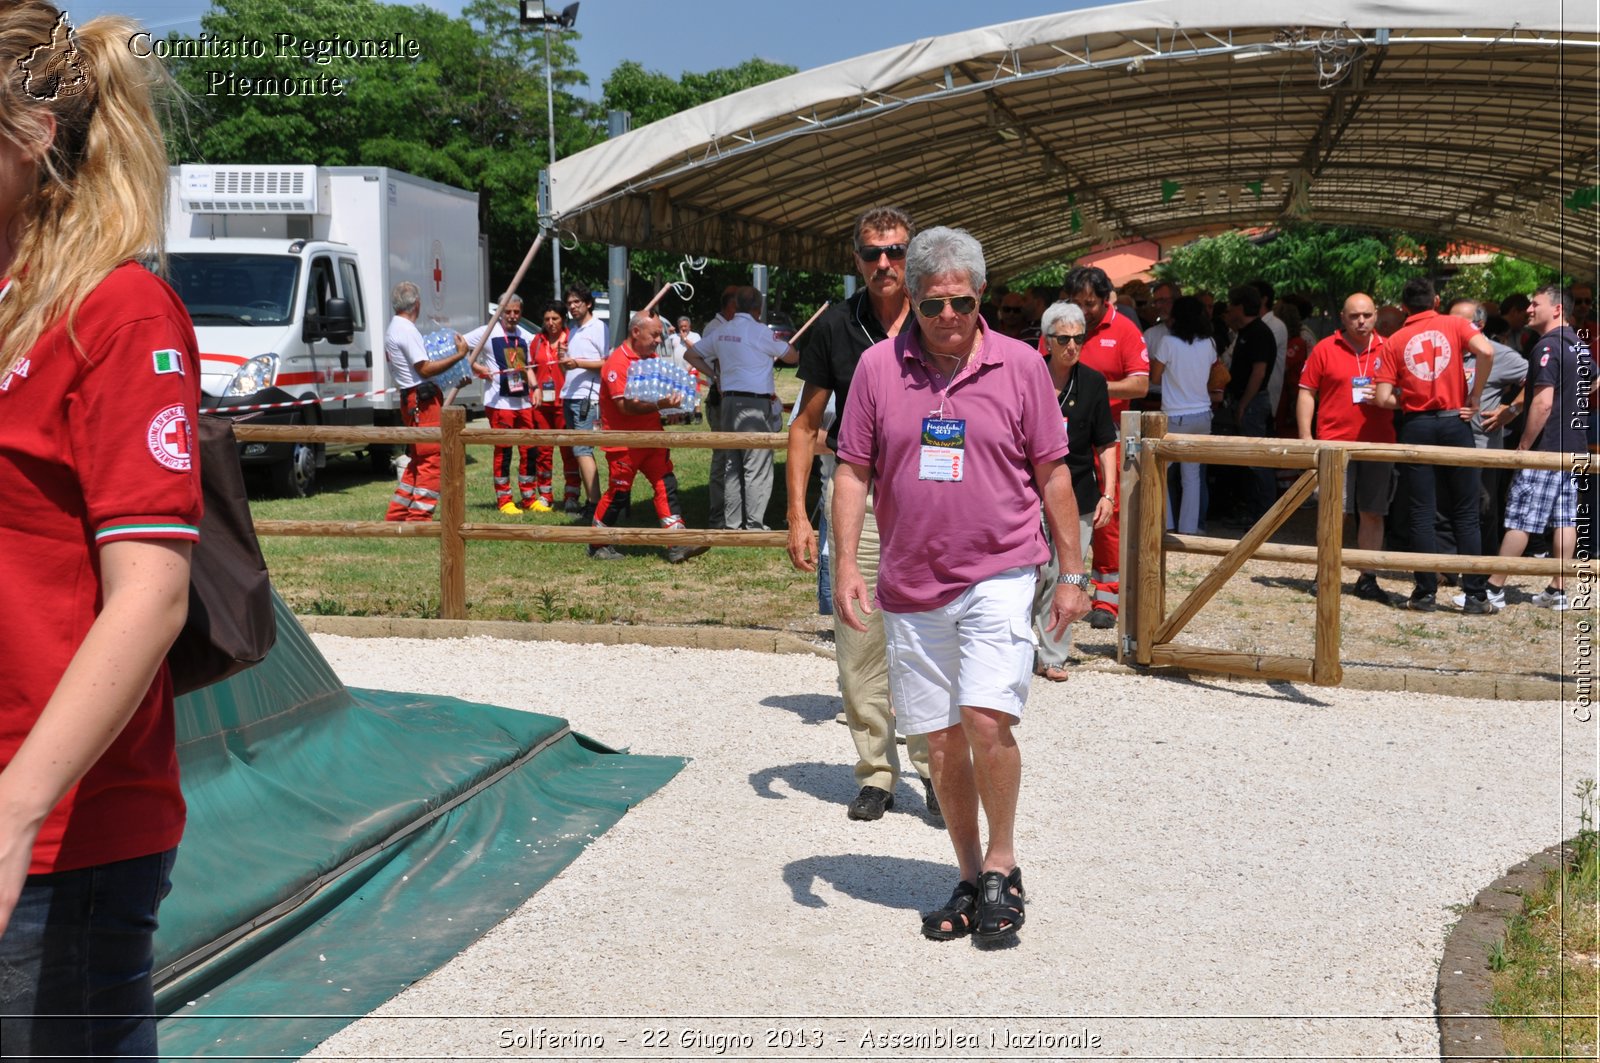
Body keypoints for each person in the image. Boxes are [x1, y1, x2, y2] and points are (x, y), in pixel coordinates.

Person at [0, 7, 199, 1056]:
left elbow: (154, 595)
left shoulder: (116, 311)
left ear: (34, 132)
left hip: (58, 836)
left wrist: (16, 811)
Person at [833, 227, 1091, 942]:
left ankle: (1005, 862)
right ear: (911, 299)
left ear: (983, 297)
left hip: (1001, 569)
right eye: (934, 303)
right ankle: (971, 873)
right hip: (912, 581)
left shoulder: (1020, 366)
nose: (949, 316)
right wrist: (847, 563)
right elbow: (853, 469)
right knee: (941, 741)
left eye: (963, 301)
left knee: (985, 719)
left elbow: (1054, 473)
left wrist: (1072, 572)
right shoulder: (879, 370)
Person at [787, 206, 936, 821]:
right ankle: (877, 771)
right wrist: (798, 516)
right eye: (873, 253)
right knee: (858, 641)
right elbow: (805, 424)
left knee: (931, 642)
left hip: (931, 499)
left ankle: (936, 768)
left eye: (896, 251)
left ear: (912, 256)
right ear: (856, 260)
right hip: (860, 496)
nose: (885, 264)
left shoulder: (939, 316)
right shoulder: (837, 328)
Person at [1373, 277, 1497, 612]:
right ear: (1437, 300)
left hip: (1417, 425)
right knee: (1466, 512)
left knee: (1421, 511)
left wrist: (1410, 399)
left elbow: (1383, 397)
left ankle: (1425, 592)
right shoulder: (1455, 324)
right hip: (1456, 420)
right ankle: (1475, 595)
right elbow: (1486, 350)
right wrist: (1474, 395)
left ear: (1403, 308)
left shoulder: (1394, 340)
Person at [1482, 285, 1595, 611]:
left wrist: (1525, 445)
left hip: (1546, 448)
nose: (1529, 309)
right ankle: (1558, 590)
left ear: (1557, 308)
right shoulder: (1577, 344)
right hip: (1574, 445)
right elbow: (1594, 380)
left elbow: (1543, 403)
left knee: (1521, 517)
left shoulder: (1546, 347)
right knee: (1565, 519)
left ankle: (1493, 588)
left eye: (1536, 303)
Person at [1061, 264, 1148, 629]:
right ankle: (1066, 593)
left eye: (1091, 303)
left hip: (1107, 434)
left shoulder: (1124, 329)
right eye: (1077, 302)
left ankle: (1107, 601)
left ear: (1105, 298)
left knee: (1105, 520)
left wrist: (1094, 390)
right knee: (1063, 516)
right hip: (1063, 436)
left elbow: (1141, 385)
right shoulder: (1061, 327)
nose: (1084, 310)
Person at [1032, 302, 1116, 681]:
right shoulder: (1030, 376)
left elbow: (1106, 443)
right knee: (1032, 573)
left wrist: (1109, 494)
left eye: (1078, 338)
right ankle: (1022, 646)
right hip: (1031, 491)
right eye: (1063, 338)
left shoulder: (1094, 383)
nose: (1071, 346)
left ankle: (1053, 655)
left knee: (1067, 574)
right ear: (1047, 341)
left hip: (1080, 491)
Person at [1295, 293, 1395, 603]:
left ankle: (1368, 577)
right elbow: (1306, 392)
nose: (1361, 321)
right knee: (1333, 511)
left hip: (1379, 444)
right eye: (1354, 316)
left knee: (1373, 513)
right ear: (1342, 317)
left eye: (1366, 315)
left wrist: (1386, 399)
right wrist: (1305, 439)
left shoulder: (1390, 348)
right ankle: (1326, 571)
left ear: (1375, 315)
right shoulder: (1325, 348)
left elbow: (1408, 395)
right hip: (1334, 444)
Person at [589, 311, 710, 565]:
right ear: (636, 332)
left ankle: (677, 541)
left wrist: (671, 408)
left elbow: (659, 395)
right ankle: (598, 541)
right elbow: (625, 407)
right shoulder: (616, 364)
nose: (658, 340)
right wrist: (660, 404)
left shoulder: (651, 359)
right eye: (654, 334)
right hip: (624, 443)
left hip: (653, 439)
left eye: (660, 335)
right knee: (619, 494)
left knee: (666, 484)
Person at [685, 286, 796, 530]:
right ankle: (754, 523)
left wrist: (716, 376)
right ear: (758, 309)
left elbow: (690, 355)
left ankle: (732, 522)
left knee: (732, 463)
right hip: (756, 404)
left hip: (728, 402)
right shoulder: (760, 332)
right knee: (756, 464)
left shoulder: (722, 331)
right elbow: (792, 357)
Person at [384, 280, 470, 522]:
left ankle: (398, 513)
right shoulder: (406, 330)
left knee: (419, 459)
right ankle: (419, 517)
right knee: (433, 457)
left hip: (411, 399)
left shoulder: (394, 327)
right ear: (417, 305)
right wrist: (459, 356)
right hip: (421, 399)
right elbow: (425, 368)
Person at [466, 295, 540, 514]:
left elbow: (529, 366)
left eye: (516, 312)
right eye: (508, 311)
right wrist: (478, 368)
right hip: (499, 404)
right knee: (504, 451)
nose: (512, 316)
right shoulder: (487, 332)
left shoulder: (524, 335)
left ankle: (528, 497)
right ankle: (504, 499)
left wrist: (535, 389)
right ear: (499, 312)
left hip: (523, 402)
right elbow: (457, 344)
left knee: (529, 450)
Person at [1150, 295, 1217, 534]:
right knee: (1192, 476)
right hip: (1202, 415)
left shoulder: (1167, 343)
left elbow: (1155, 378)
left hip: (1174, 416)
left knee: (1158, 471)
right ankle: (1189, 529)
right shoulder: (1209, 343)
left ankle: (1165, 524)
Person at [1222, 284, 1278, 521]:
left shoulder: (1259, 333)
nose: (1228, 309)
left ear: (1241, 306)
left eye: (1231, 305)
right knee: (1246, 460)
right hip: (1245, 401)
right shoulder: (1245, 331)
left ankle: (1267, 515)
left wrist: (1244, 403)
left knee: (1257, 460)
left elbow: (1259, 372)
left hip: (1253, 403)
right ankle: (1253, 511)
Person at [558, 287, 606, 520]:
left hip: (587, 396)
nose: (572, 306)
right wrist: (565, 359)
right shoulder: (574, 330)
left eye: (577, 301)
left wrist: (577, 363)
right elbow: (570, 366)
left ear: (588, 303)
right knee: (578, 450)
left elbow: (606, 363)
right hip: (570, 395)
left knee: (582, 449)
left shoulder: (598, 327)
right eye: (569, 303)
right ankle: (591, 499)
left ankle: (595, 504)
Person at [530, 300, 576, 512]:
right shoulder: (537, 341)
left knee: (569, 451)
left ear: (563, 319)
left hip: (564, 402)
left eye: (555, 319)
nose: (550, 323)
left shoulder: (572, 339)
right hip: (542, 405)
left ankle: (572, 495)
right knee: (544, 451)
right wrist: (534, 388)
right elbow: (528, 367)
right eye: (547, 319)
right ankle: (545, 495)